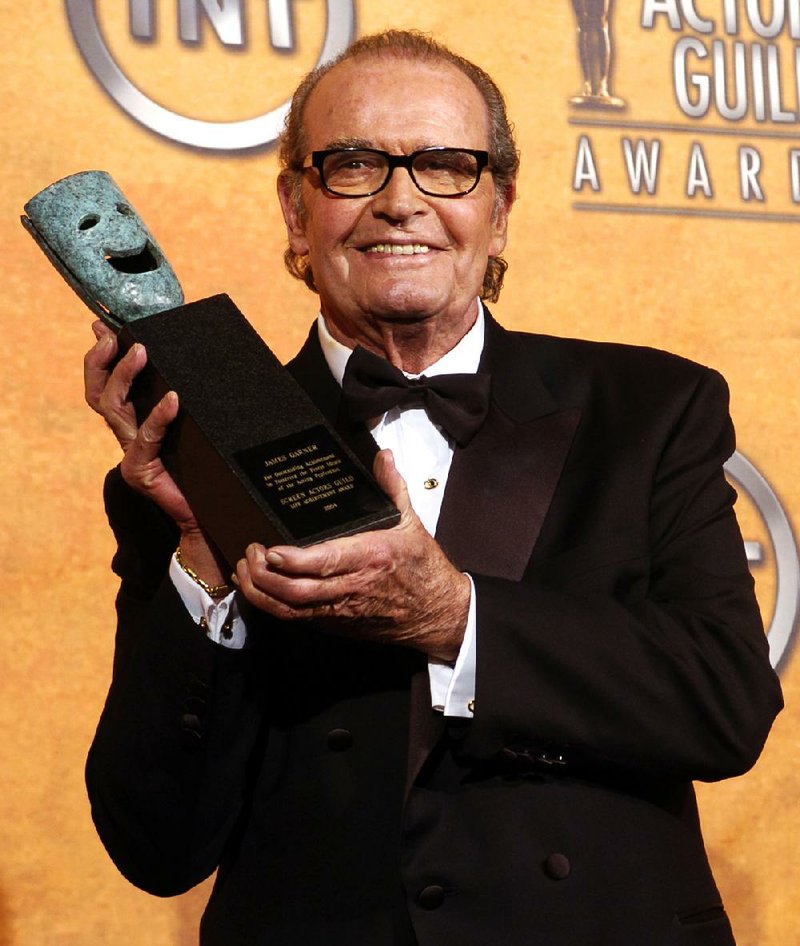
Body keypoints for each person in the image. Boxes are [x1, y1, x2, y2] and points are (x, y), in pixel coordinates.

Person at [83, 29, 782, 946]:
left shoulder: (652, 408)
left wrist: (456, 617)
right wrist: (203, 553)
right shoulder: (194, 447)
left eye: (446, 165)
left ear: (499, 211)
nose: (399, 201)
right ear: (296, 210)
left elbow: (726, 704)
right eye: (353, 165)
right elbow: (155, 846)